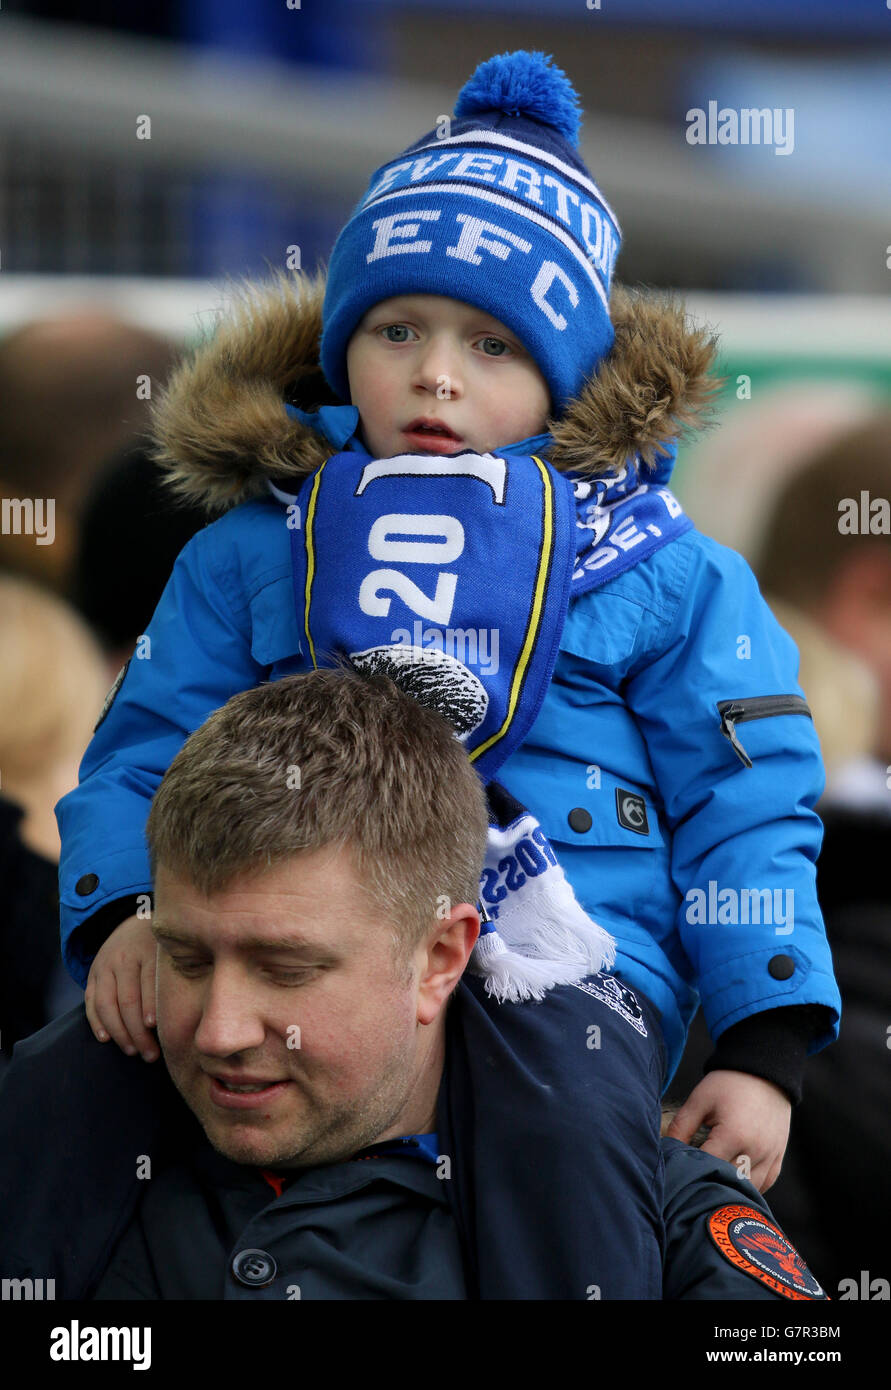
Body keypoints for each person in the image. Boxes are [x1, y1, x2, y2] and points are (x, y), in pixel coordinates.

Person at [55, 50, 840, 1195]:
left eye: (493, 343)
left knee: (558, 1145)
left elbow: (749, 799)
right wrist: (128, 908)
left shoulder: (670, 571)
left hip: (571, 977)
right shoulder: (250, 548)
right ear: (340, 346)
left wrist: (764, 1040)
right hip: (283, 970)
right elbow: (142, 750)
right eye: (396, 330)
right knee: (63, 1091)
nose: (435, 378)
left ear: (567, 376)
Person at [4, 669, 826, 1300]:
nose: (218, 1030)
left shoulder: (655, 1223)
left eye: (285, 969)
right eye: (183, 959)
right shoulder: (63, 1148)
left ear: (441, 958)